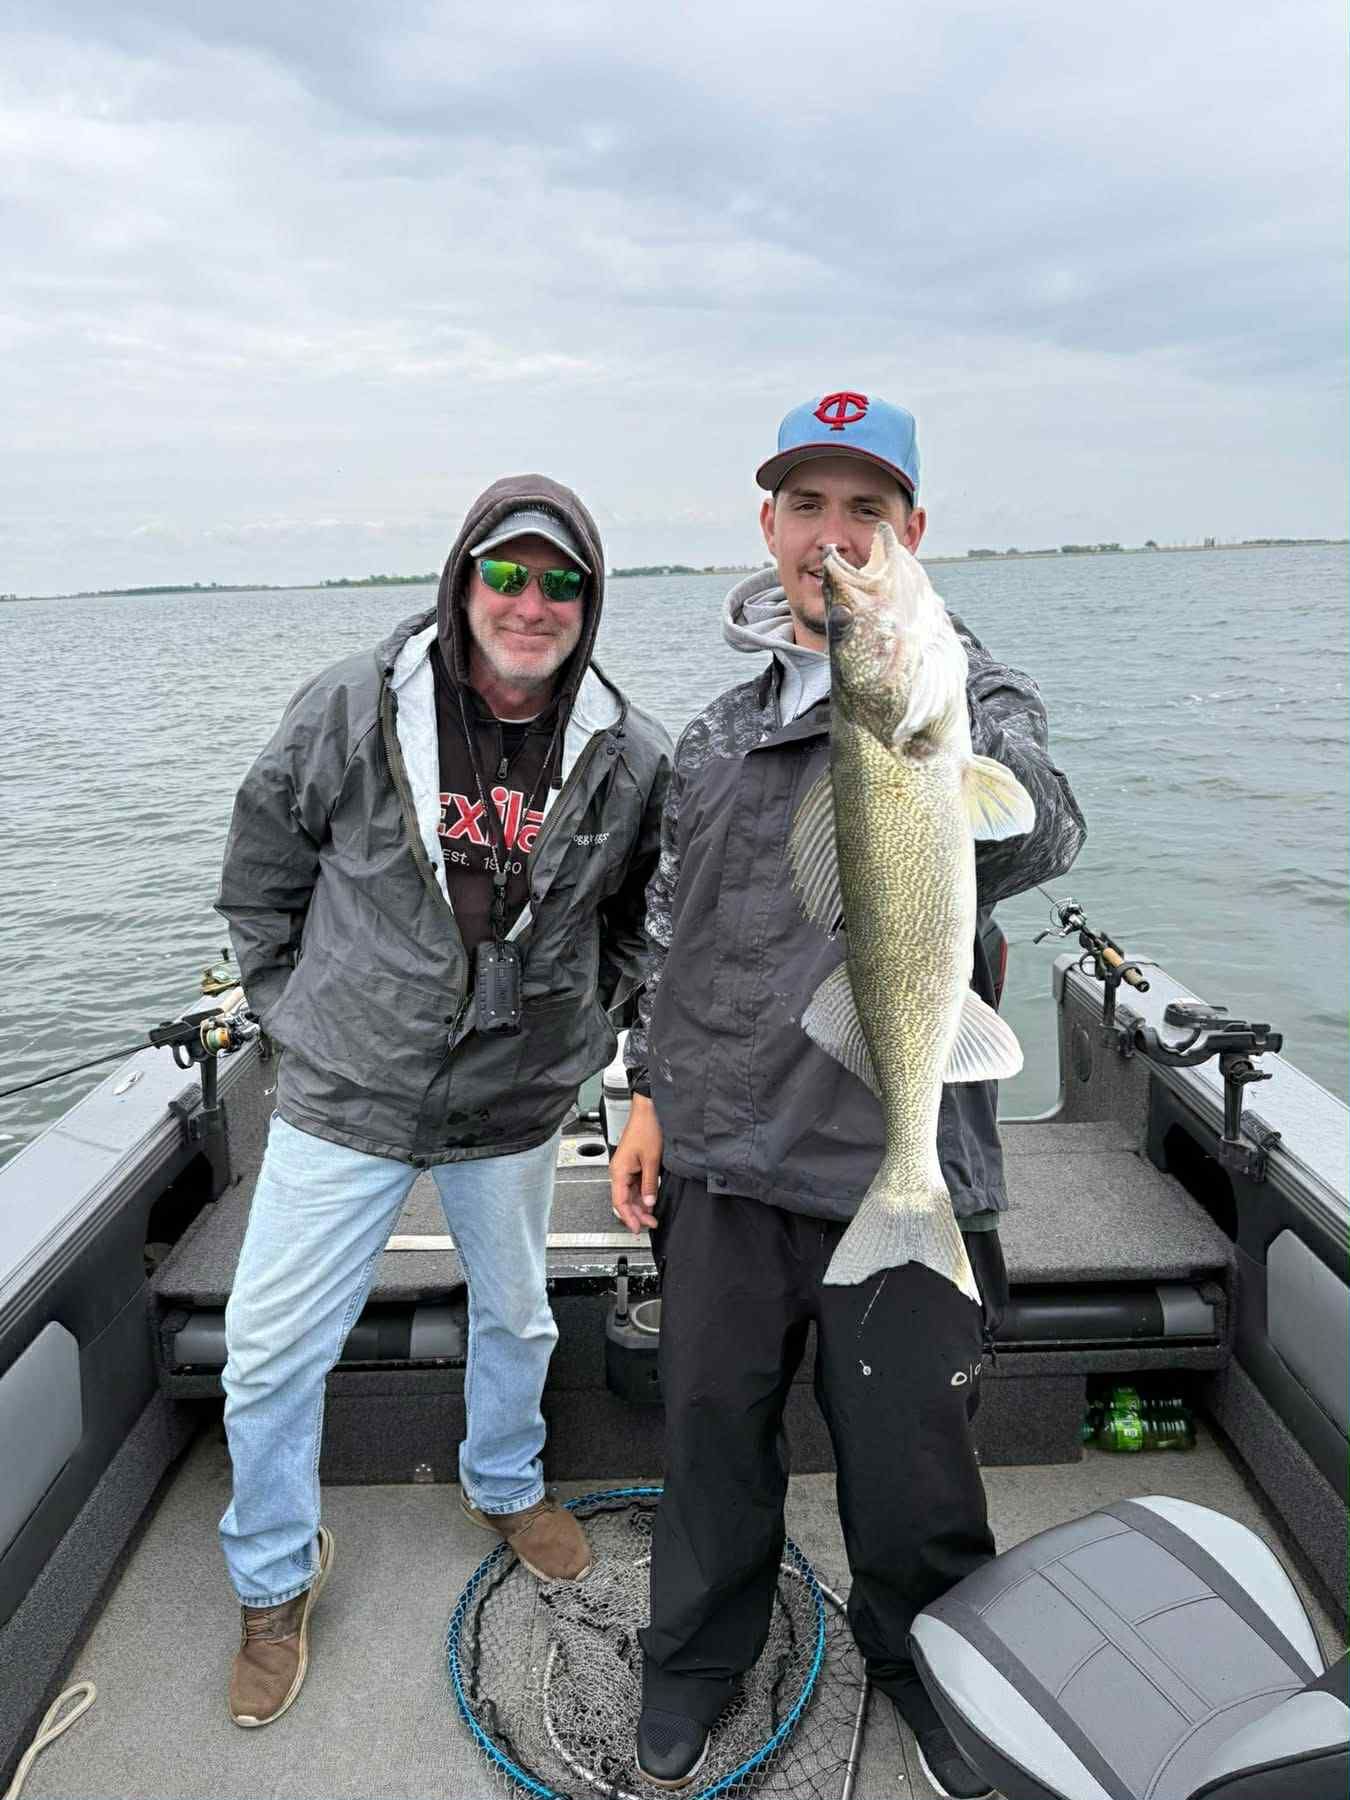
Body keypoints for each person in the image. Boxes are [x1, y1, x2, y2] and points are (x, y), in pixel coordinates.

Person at [610, 395, 1086, 1797]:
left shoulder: (967, 694)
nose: (833, 540)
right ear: (766, 528)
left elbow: (1047, 819)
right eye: (806, 509)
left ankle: (932, 1661)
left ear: (912, 536)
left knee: (913, 1461)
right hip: (719, 1159)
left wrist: (931, 768)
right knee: (706, 1440)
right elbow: (661, 934)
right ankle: (694, 1657)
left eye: (864, 513)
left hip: (899, 1149)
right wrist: (645, 1097)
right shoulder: (706, 737)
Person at [216, 474, 670, 1729]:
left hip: (515, 1100)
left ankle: (506, 1480)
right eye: (508, 574)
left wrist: (589, 1021)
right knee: (266, 1356)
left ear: (591, 600)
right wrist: (290, 1009)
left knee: (519, 1321)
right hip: (347, 1090)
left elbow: (648, 918)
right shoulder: (354, 707)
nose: (532, 603)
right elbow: (263, 861)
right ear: (464, 579)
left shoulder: (631, 753)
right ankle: (272, 1577)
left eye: (561, 580)